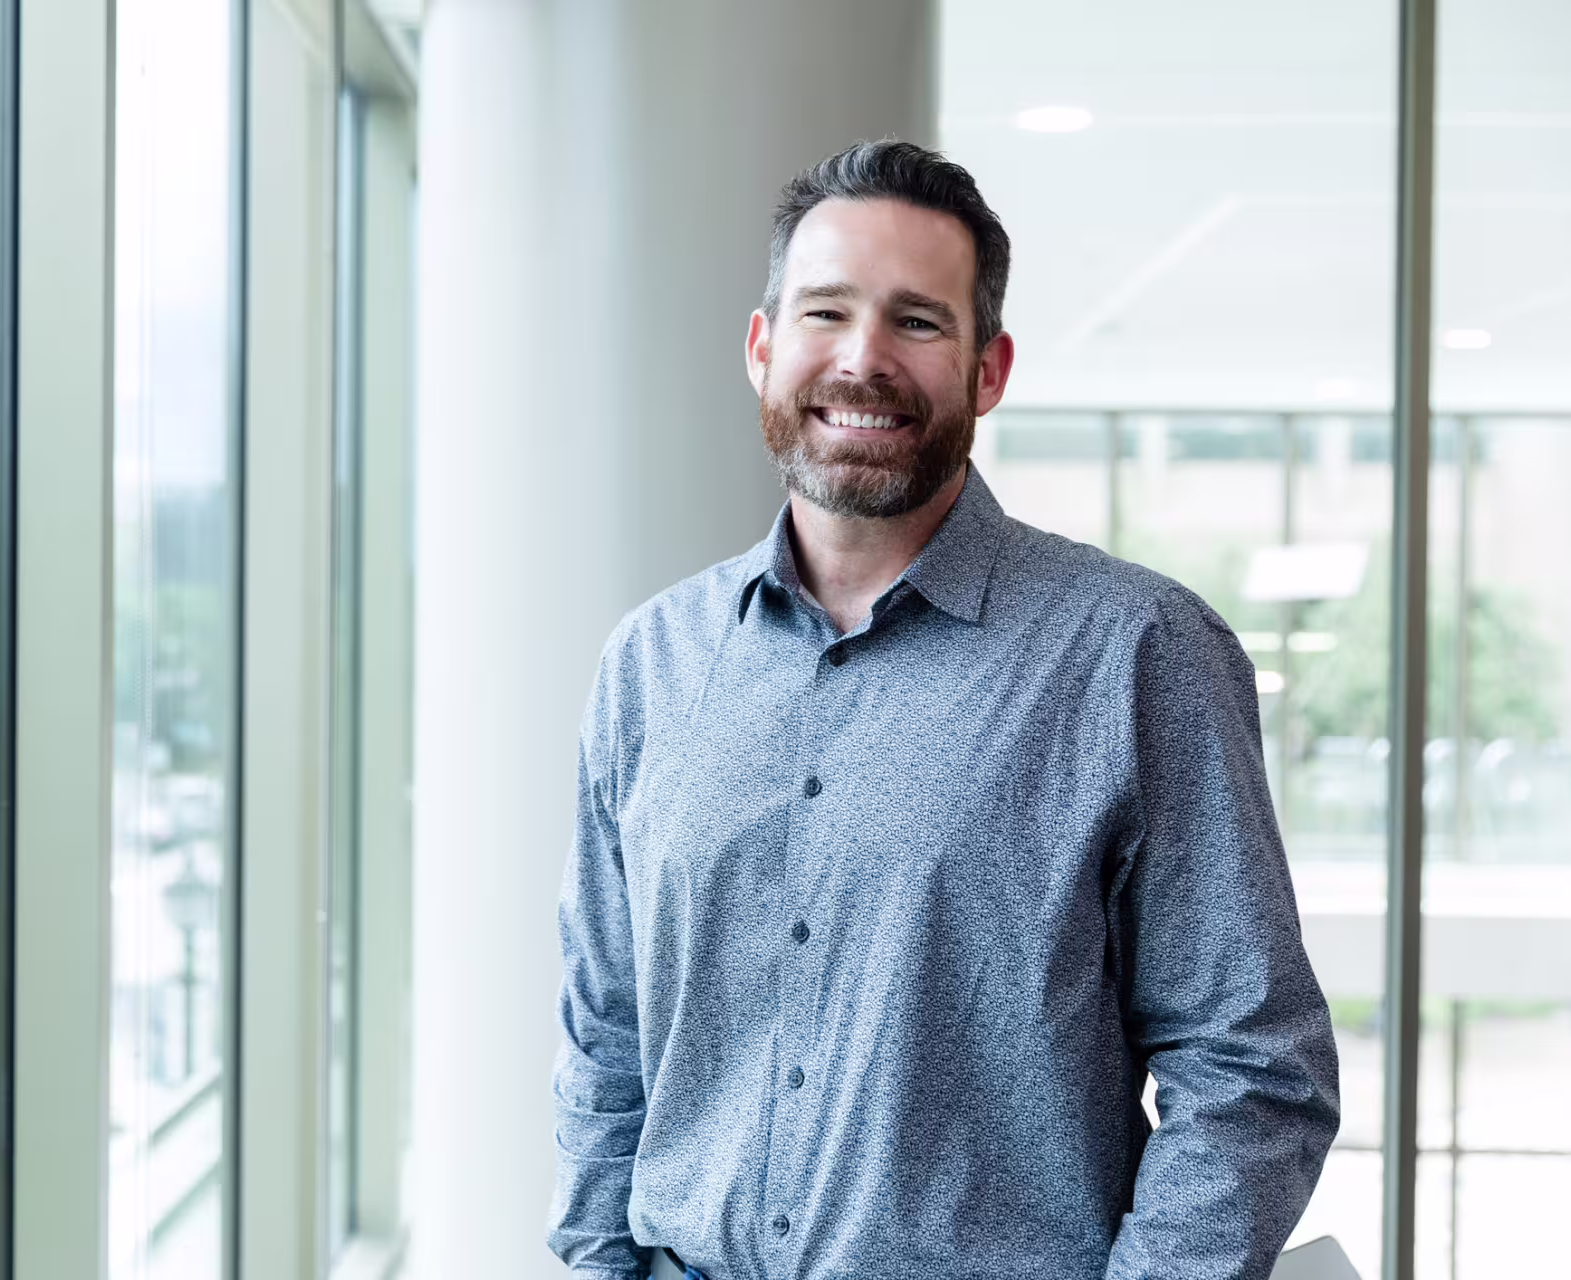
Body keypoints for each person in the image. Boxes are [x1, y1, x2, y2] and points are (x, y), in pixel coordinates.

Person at [547, 139, 1339, 1280]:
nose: (863, 360)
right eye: (825, 313)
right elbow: (602, 1039)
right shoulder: (652, 664)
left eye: (918, 322)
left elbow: (1253, 1069)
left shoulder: (1138, 653)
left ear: (989, 370)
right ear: (764, 348)